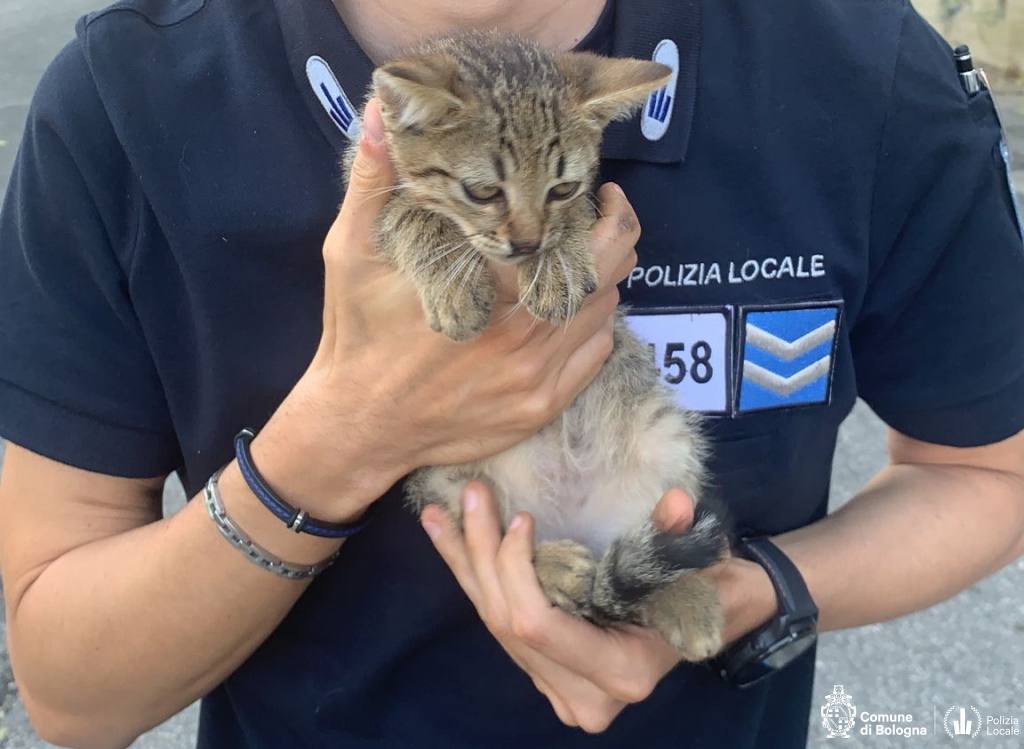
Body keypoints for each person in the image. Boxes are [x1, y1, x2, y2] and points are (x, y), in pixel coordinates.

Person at [1, 0, 1022, 747]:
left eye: (557, 194)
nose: (527, 230)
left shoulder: (863, 68)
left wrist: (760, 589)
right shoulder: (122, 102)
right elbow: (71, 696)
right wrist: (345, 434)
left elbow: (989, 471)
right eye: (494, 194)